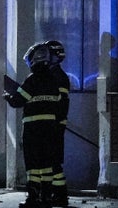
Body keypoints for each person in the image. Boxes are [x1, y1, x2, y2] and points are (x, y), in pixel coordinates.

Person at [4, 42, 62, 208]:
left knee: (33, 165)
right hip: (50, 128)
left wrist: (8, 97)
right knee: (46, 165)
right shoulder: (53, 79)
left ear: (33, 60)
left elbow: (17, 101)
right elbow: (58, 102)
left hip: (33, 129)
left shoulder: (32, 79)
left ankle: (33, 198)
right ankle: (46, 197)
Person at [45, 40, 70, 208]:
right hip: (54, 123)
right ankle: (56, 194)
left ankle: (59, 195)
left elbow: (61, 104)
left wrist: (55, 121)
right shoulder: (56, 75)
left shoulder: (57, 77)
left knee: (53, 161)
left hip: (53, 125)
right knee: (51, 160)